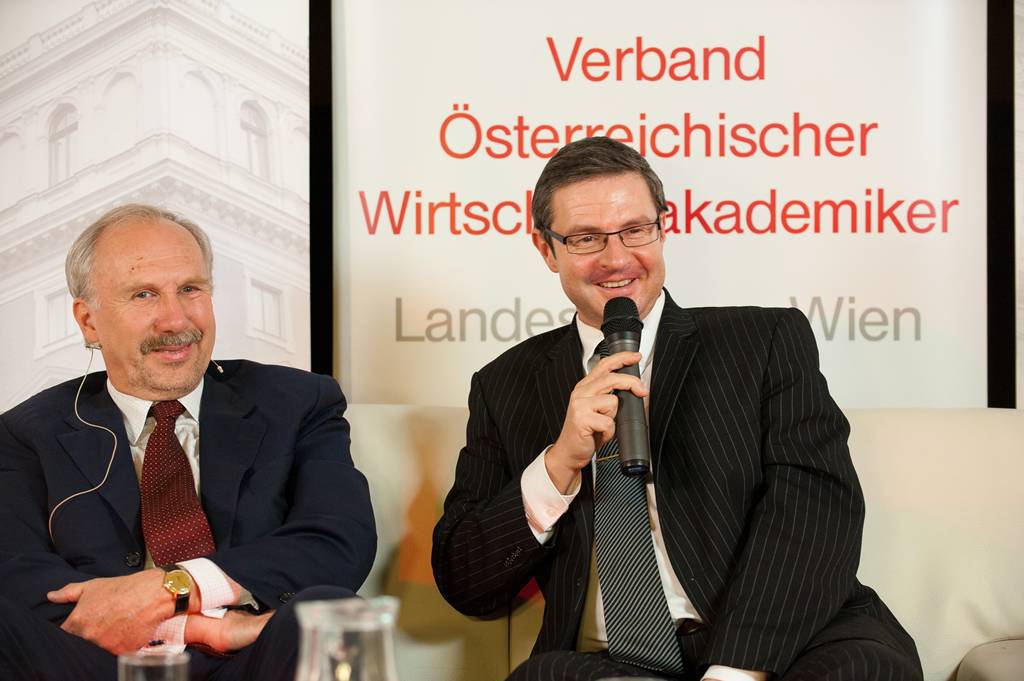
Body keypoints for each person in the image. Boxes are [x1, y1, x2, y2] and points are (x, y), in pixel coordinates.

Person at [431, 137, 922, 681]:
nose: (617, 259)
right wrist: (559, 463)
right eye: (587, 238)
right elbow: (466, 582)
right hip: (617, 667)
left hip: (788, 647)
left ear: (663, 228)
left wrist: (735, 671)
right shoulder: (504, 384)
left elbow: (814, 510)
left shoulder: (763, 341)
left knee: (865, 668)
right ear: (547, 249)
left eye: (635, 230)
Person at [0, 204, 376, 680]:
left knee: (330, 611)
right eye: (143, 294)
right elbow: (16, 576)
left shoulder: (297, 401)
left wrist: (176, 587)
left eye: (190, 289)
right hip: (98, 665)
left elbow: (337, 539)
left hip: (255, 653)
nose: (175, 320)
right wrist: (192, 628)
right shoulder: (25, 432)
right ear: (89, 321)